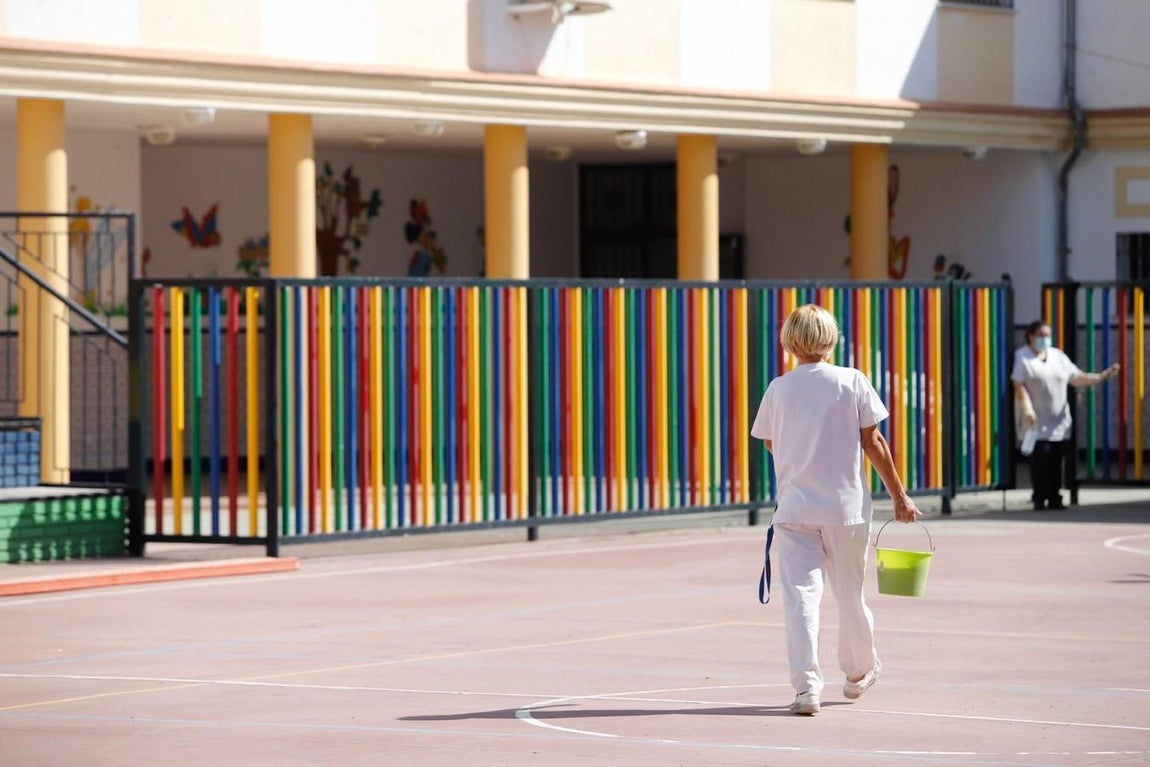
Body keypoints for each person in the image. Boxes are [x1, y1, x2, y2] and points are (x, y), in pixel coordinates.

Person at [750, 304, 920, 717]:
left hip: (794, 509)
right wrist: (899, 495)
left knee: (801, 600)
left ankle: (806, 688)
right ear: (831, 339)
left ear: (789, 341)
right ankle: (859, 671)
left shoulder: (778, 388)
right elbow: (874, 443)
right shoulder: (851, 381)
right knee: (849, 593)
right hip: (845, 509)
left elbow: (770, 442)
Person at [1012, 320, 1119, 510]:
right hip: (1035, 421)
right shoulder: (1023, 357)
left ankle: (1055, 497)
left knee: (1056, 462)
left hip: (1059, 422)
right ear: (1030, 335)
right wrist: (1026, 409)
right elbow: (1018, 385)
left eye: (1047, 335)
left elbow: (1076, 377)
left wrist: (1100, 377)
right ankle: (1039, 496)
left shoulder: (1057, 356)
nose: (1045, 339)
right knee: (1039, 462)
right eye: (1041, 335)